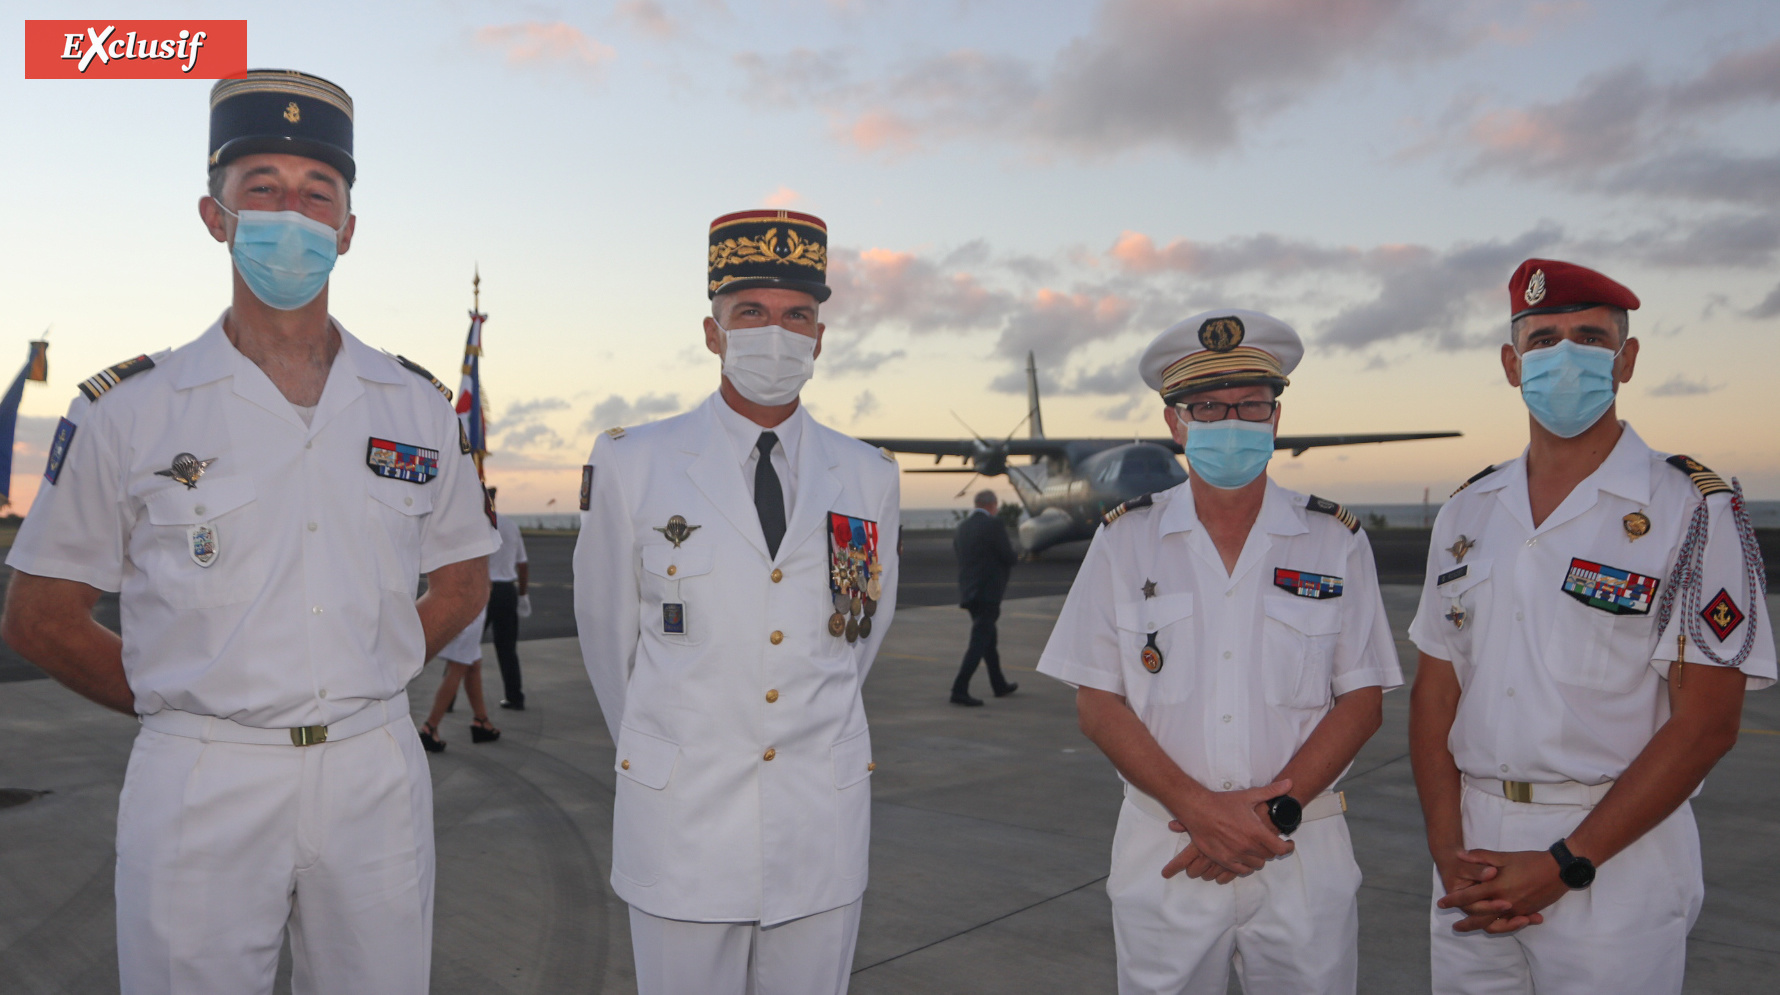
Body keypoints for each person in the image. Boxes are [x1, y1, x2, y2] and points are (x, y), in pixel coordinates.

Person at [0, 70, 496, 995]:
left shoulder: (416, 404)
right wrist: (182, 698)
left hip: (374, 771)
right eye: (261, 186)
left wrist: (370, 661)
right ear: (214, 213)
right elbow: (40, 615)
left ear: (349, 228)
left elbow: (464, 581)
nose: (291, 212)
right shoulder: (130, 411)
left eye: (318, 192)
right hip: (201, 779)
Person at [1408, 259, 1773, 994]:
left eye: (1588, 336)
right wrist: (1447, 848)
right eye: (1542, 339)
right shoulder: (1468, 512)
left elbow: (1707, 724)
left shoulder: (1693, 509)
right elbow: (1435, 694)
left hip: (1615, 857)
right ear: (1512, 365)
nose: (1563, 356)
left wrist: (1565, 862)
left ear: (1626, 358)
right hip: (1473, 855)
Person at [573, 209, 900, 995]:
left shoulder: (868, 475)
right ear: (714, 331)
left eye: (797, 317)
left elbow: (858, 637)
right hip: (681, 819)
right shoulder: (636, 462)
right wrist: (671, 748)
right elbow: (608, 637)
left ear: (820, 337)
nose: (776, 335)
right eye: (751, 312)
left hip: (817, 822)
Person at [1036, 309, 1401, 995]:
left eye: (1250, 404)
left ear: (1275, 418)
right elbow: (1097, 701)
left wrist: (1267, 816)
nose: (1230, 420)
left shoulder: (1335, 540)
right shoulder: (1125, 541)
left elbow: (1362, 698)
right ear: (1176, 423)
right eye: (1207, 406)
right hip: (1169, 848)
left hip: (1300, 849)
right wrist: (1199, 809)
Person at [950, 488, 1019, 705]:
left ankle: (998, 684)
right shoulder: (994, 525)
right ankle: (959, 689)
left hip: (969, 592)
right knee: (980, 642)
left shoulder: (962, 527)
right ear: (992, 505)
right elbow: (1007, 555)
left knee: (989, 640)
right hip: (988, 593)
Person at [419, 597, 501, 751]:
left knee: (473, 665)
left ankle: (481, 720)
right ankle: (430, 726)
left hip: (471, 606)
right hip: (470, 607)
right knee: (458, 667)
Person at [486, 485, 530, 710]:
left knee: (463, 649)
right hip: (506, 592)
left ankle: (449, 699)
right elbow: (522, 564)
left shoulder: (478, 524)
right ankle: (515, 696)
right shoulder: (510, 525)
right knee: (507, 649)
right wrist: (522, 595)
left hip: (482, 591)